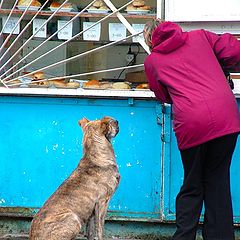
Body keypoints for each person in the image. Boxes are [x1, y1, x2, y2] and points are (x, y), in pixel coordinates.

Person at [143, 19, 240, 240]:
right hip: (227, 118)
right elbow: (234, 52)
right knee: (217, 181)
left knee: (193, 183)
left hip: (193, 124)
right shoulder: (201, 36)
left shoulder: (153, 62)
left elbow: (163, 95)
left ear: (149, 39)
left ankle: (184, 236)